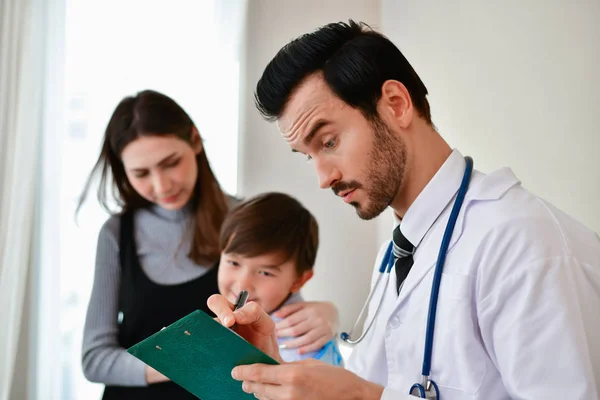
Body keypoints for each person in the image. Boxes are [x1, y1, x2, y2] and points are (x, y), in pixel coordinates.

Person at [207, 20, 600, 400]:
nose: (323, 178)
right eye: (308, 157)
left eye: (327, 142)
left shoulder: (526, 244)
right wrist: (277, 373)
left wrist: (361, 398)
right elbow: (381, 384)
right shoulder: (398, 252)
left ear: (396, 105)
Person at [78, 90, 340, 399]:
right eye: (141, 173)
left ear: (195, 140)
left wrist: (330, 316)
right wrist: (185, 356)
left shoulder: (245, 221)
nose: (162, 185)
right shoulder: (115, 234)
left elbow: (288, 319)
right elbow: (94, 359)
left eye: (171, 163)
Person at [218, 191, 342, 365]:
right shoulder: (229, 313)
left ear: (299, 280)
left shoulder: (300, 342)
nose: (243, 284)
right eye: (233, 263)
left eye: (265, 273)